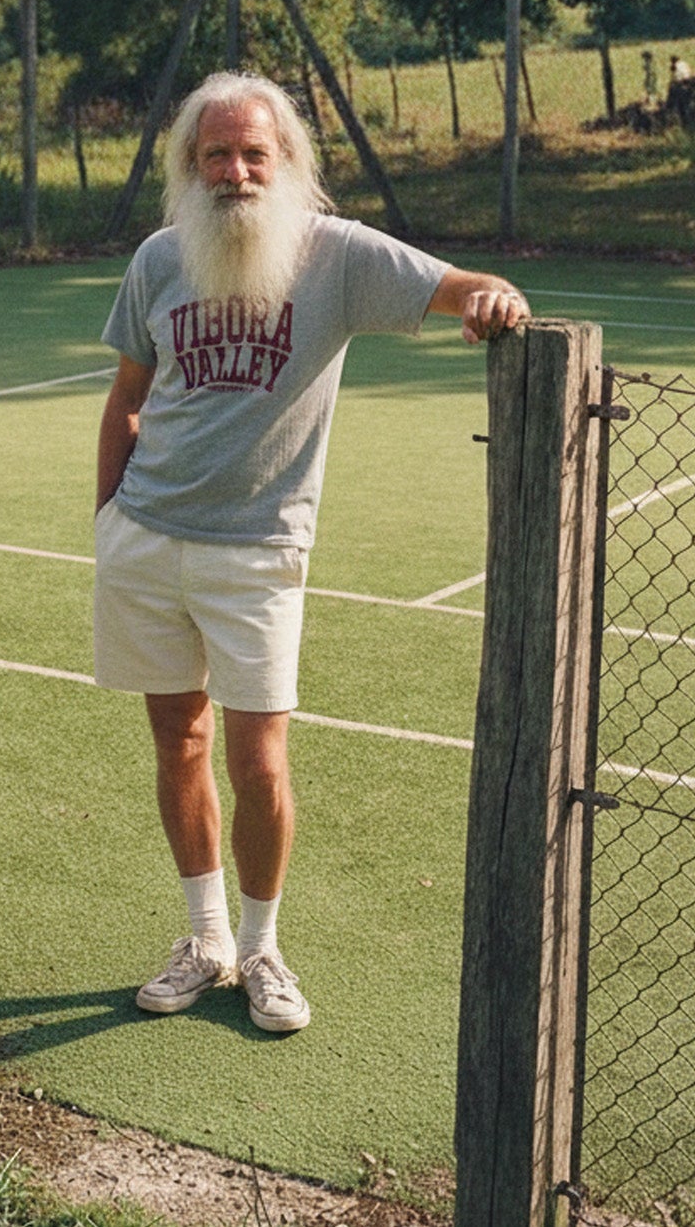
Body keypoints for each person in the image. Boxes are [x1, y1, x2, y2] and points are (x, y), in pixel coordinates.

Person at [93, 70, 529, 1035]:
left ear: (285, 163)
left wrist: (493, 299)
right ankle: (204, 939)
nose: (236, 172)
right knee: (179, 739)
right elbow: (126, 398)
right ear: (190, 164)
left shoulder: (335, 257)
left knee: (260, 760)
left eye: (255, 154)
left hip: (257, 554)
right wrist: (105, 523)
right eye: (217, 154)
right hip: (147, 538)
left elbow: (468, 286)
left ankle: (261, 949)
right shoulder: (161, 259)